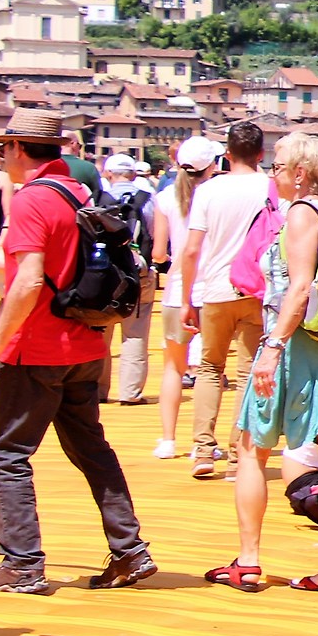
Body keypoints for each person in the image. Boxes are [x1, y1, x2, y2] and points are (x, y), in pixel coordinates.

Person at [0, 110, 155, 594]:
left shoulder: (33, 199)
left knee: (8, 454)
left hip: (38, 346)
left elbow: (31, 278)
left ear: (19, 148)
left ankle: (22, 563)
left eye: (6, 146)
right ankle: (130, 550)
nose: (2, 155)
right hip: (86, 341)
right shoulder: (77, 190)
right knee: (90, 448)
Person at [206, 131, 318, 594]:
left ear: (300, 173)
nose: (272, 173)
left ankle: (248, 559)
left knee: (251, 448)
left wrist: (273, 347)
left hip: (292, 349)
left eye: (277, 166)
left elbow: (299, 289)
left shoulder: (301, 215)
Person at [178, 120, 274, 481]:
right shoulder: (271, 189)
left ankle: (203, 450)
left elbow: (190, 250)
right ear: (261, 153)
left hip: (215, 289)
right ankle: (238, 456)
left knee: (209, 368)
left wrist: (190, 297)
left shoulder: (208, 190)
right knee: (248, 374)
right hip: (256, 290)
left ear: (227, 154)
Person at [151, 138, 222, 460]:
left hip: (176, 289)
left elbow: (158, 252)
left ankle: (167, 439)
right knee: (211, 369)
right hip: (211, 289)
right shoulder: (215, 196)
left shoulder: (165, 197)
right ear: (212, 166)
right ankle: (204, 442)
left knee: (172, 368)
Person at [100, 153, 158, 405]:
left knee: (101, 331)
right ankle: (130, 392)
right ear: (134, 174)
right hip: (138, 271)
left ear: (108, 173)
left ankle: (97, 390)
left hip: (105, 274)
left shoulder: (99, 199)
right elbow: (154, 233)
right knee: (135, 332)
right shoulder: (147, 200)